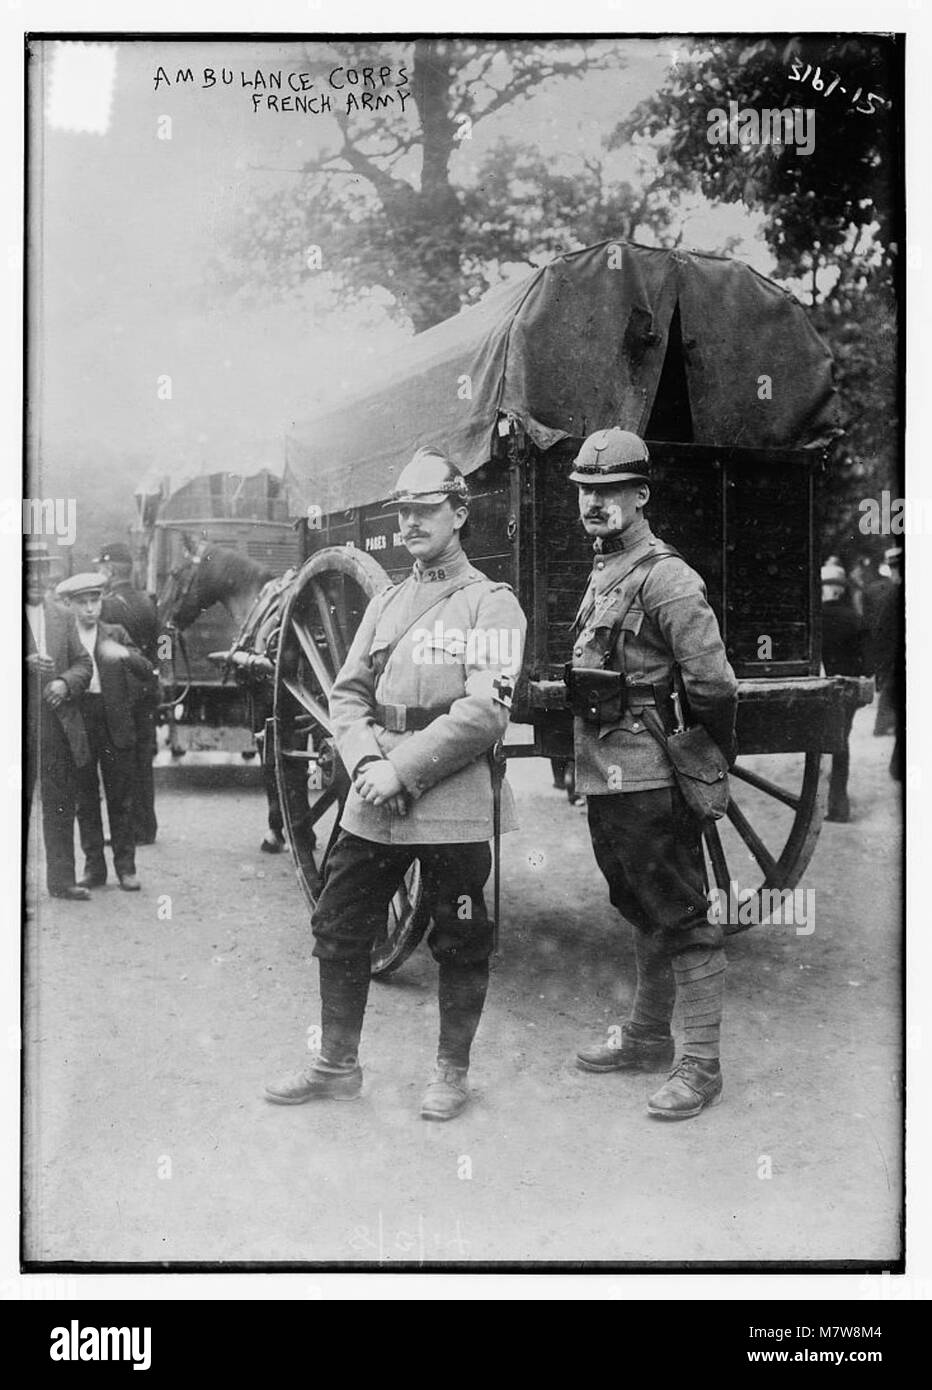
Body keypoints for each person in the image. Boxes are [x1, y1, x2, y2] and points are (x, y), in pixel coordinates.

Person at [265, 448, 526, 1121]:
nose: (410, 522)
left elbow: (486, 710)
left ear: (460, 512)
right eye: (403, 510)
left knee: (461, 934)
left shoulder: (492, 606)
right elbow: (347, 696)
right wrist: (363, 765)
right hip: (373, 795)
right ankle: (335, 1065)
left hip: (452, 799)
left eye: (426, 509)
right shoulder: (386, 602)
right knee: (340, 922)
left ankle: (451, 1073)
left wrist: (401, 770)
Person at [568, 429, 738, 1121]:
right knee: (640, 904)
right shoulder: (606, 569)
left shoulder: (667, 576)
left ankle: (700, 1065)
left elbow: (714, 685)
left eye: (610, 492)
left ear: (640, 495)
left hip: (650, 774)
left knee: (684, 914)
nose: (595, 504)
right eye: (585, 492)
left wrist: (698, 760)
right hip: (606, 772)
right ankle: (643, 1037)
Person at [57, 573, 153, 892]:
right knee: (85, 798)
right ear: (70, 605)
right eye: (82, 603)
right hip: (80, 721)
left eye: (94, 601)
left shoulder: (116, 632)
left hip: (114, 722)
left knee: (120, 798)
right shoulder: (64, 637)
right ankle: (94, 869)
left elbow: (146, 669)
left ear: (101, 602)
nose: (89, 609)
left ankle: (126, 869)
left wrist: (125, 653)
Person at [25, 542, 93, 901]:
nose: (34, 578)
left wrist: (63, 682)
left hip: (54, 727)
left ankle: (62, 880)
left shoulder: (64, 616)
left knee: (59, 803)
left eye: (40, 570)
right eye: (26, 568)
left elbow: (84, 664)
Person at [95, 541, 160, 844]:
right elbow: (163, 643)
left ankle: (129, 829)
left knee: (121, 761)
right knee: (143, 760)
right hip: (147, 689)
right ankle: (147, 828)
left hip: (119, 693)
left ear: (109, 570)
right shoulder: (149, 601)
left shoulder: (106, 605)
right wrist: (157, 673)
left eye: (101, 568)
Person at [820, 559, 867, 822]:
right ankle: (839, 804)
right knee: (842, 744)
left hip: (821, 689)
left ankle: (824, 802)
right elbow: (866, 660)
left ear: (825, 590)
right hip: (847, 691)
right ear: (841, 589)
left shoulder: (815, 619)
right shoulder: (855, 619)